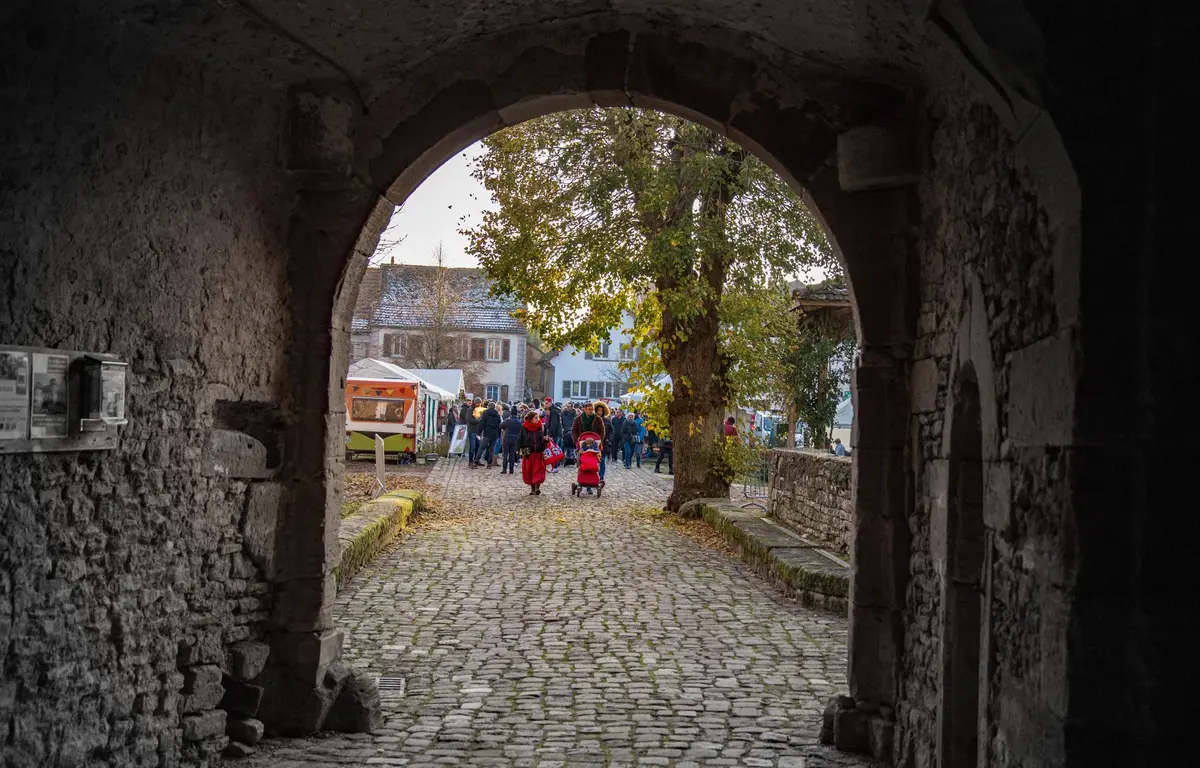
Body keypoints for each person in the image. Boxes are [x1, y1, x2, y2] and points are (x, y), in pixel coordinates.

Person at [572, 400, 608, 487]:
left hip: (594, 445)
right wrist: (577, 441)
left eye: (592, 409)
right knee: (582, 463)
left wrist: (598, 441)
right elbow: (574, 431)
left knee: (593, 463)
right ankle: (582, 480)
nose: (591, 411)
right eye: (589, 409)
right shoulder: (578, 419)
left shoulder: (598, 419)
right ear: (584, 409)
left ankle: (593, 481)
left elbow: (602, 432)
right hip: (582, 444)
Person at [517, 410, 547, 495]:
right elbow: (520, 438)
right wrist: (517, 449)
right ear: (530, 419)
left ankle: (537, 488)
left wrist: (546, 440)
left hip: (539, 453)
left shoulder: (542, 426)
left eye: (538, 417)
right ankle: (533, 489)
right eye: (536, 418)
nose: (538, 419)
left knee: (539, 471)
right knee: (530, 471)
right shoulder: (524, 427)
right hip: (529, 453)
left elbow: (545, 438)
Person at [474, 400, 502, 467]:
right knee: (491, 449)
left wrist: (478, 433)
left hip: (487, 433)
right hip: (494, 434)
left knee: (482, 448)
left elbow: (481, 423)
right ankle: (489, 463)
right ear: (494, 407)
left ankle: (476, 461)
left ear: (488, 407)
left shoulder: (485, 413)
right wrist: (498, 435)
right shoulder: (497, 415)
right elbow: (499, 426)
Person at [500, 407, 522, 474]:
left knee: (505, 454)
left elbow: (500, 426)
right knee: (512, 455)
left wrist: (505, 429)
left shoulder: (507, 420)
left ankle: (504, 469)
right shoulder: (519, 422)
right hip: (515, 440)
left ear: (511, 413)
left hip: (507, 439)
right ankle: (511, 470)